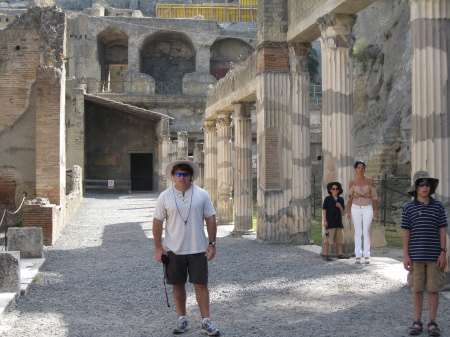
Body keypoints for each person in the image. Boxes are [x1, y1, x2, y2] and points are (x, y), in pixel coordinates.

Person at [153, 158, 220, 336]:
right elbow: (157, 222)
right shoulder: (165, 196)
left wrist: (212, 244)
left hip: (197, 249)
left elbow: (211, 219)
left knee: (201, 285)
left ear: (191, 177)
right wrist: (159, 247)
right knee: (178, 285)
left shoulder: (202, 194)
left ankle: (206, 321)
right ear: (173, 177)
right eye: (178, 174)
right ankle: (182, 319)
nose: (182, 177)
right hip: (173, 250)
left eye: (185, 174)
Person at [402, 171, 448, 336]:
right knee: (417, 289)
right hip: (416, 256)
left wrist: (443, 253)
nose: (425, 187)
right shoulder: (408, 207)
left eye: (427, 184)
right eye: (421, 184)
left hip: (434, 255)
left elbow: (442, 230)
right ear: (415, 187)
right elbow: (406, 232)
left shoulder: (438, 206)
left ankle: (432, 322)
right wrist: (406, 255)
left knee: (434, 289)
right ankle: (417, 321)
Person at [347, 160, 379, 264]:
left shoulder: (369, 180)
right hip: (355, 207)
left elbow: (374, 195)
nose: (360, 169)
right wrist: (348, 212)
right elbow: (349, 197)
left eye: (362, 168)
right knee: (358, 232)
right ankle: (358, 254)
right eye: (359, 168)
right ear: (355, 169)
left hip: (367, 206)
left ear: (364, 169)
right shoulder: (352, 181)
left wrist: (376, 209)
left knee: (366, 231)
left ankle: (366, 254)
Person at [322, 182, 350, 260]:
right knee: (327, 239)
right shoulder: (327, 199)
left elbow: (342, 211)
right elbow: (324, 210)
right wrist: (325, 220)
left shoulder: (341, 199)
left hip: (338, 221)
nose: (335, 190)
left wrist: (340, 206)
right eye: (333, 189)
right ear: (330, 190)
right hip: (330, 221)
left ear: (339, 190)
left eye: (337, 189)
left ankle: (340, 254)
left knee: (339, 239)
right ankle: (325, 254)